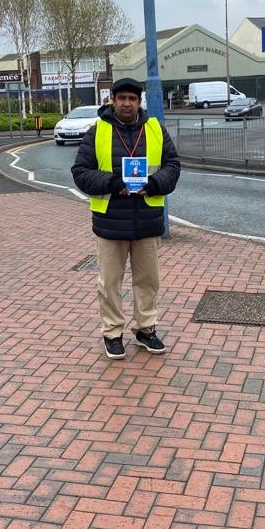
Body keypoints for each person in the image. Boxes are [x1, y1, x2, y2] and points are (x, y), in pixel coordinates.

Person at [71, 77, 181, 360]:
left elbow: (173, 166)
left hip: (147, 218)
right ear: (113, 100)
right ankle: (112, 333)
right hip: (111, 220)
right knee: (109, 282)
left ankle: (146, 329)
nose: (127, 103)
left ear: (139, 102)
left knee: (148, 280)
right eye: (122, 98)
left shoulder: (155, 129)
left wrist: (155, 184)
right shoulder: (97, 132)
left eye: (132, 99)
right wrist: (110, 182)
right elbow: (81, 172)